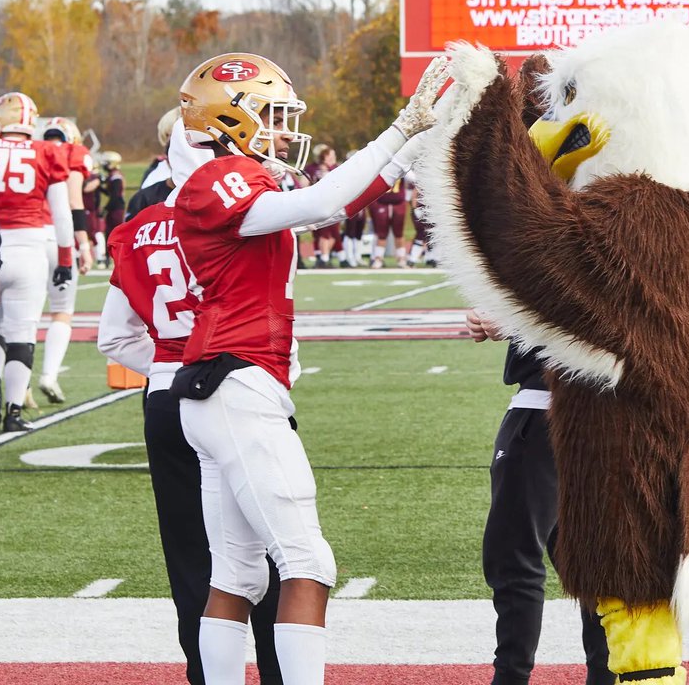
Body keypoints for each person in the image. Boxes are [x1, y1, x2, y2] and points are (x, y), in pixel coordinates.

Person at [170, 51, 446, 685]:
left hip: (222, 385)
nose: (282, 129)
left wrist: (415, 140)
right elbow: (322, 201)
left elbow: (331, 205)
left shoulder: (234, 176)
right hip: (237, 381)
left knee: (237, 576)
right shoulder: (216, 178)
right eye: (269, 114)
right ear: (228, 117)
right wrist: (400, 128)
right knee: (308, 564)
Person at [97, 120, 285, 685]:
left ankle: (206, 675)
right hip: (244, 388)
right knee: (275, 549)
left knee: (191, 559)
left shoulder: (138, 228)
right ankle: (281, 672)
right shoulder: (250, 212)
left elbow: (114, 338)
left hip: (166, 400)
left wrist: (170, 369)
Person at [465, 312, 612, 685]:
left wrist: (514, 319)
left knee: (514, 557)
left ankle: (510, 679)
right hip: (608, 413)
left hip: (548, 406)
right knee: (593, 563)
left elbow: (581, 299)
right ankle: (605, 677)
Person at [0, 92, 73, 432]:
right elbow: (61, 214)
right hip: (29, 250)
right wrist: (65, 259)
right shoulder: (47, 152)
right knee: (23, 333)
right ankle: (13, 411)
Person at [37, 116, 95, 403]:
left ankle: (16, 385)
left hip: (23, 239)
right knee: (61, 311)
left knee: (22, 317)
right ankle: (49, 375)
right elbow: (74, 201)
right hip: (57, 238)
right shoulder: (73, 153)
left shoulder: (31, 153)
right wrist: (83, 245)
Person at [368, 175, 409, 268]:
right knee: (381, 234)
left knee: (399, 233)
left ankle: (401, 258)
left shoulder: (402, 168)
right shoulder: (381, 169)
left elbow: (412, 178)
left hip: (398, 203)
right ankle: (378, 258)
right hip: (382, 202)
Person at [101, 151, 126, 240]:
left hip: (116, 208)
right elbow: (110, 193)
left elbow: (115, 196)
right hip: (114, 207)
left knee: (114, 232)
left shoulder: (116, 178)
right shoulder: (112, 176)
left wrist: (106, 208)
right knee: (109, 231)